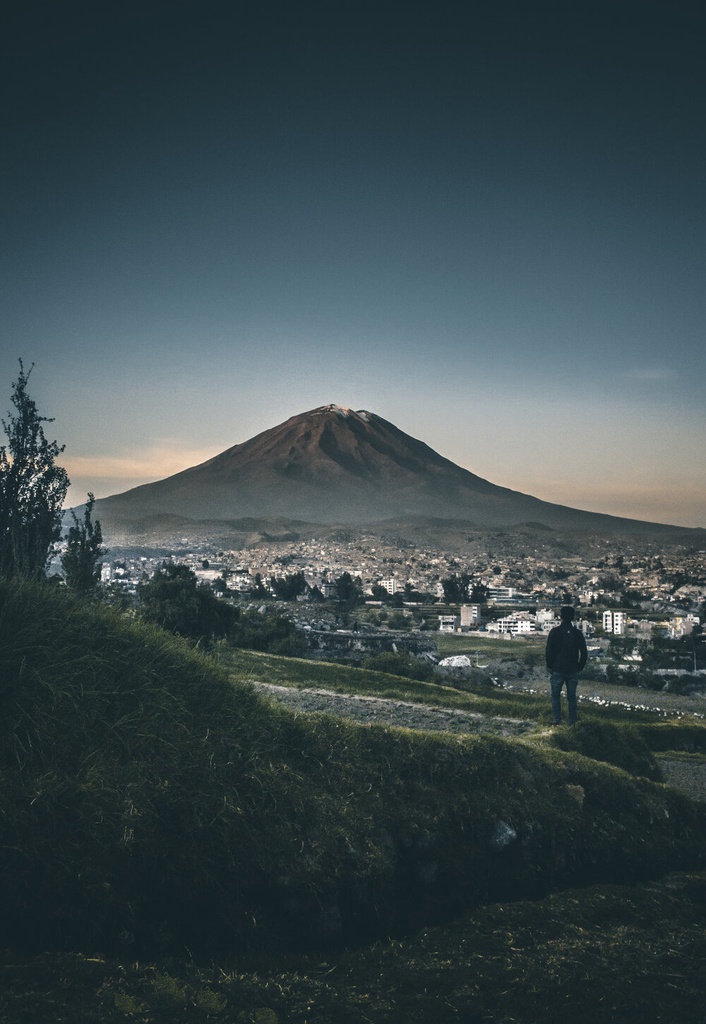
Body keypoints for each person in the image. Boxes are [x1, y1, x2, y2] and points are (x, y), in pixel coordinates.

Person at [545, 606, 587, 726]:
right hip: (573, 669)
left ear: (561, 616)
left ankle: (557, 720)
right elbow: (584, 653)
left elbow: (549, 651)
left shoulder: (555, 632)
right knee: (572, 697)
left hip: (558, 668)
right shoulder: (577, 633)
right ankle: (572, 721)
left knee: (555, 695)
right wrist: (580, 666)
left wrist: (550, 666)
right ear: (573, 617)